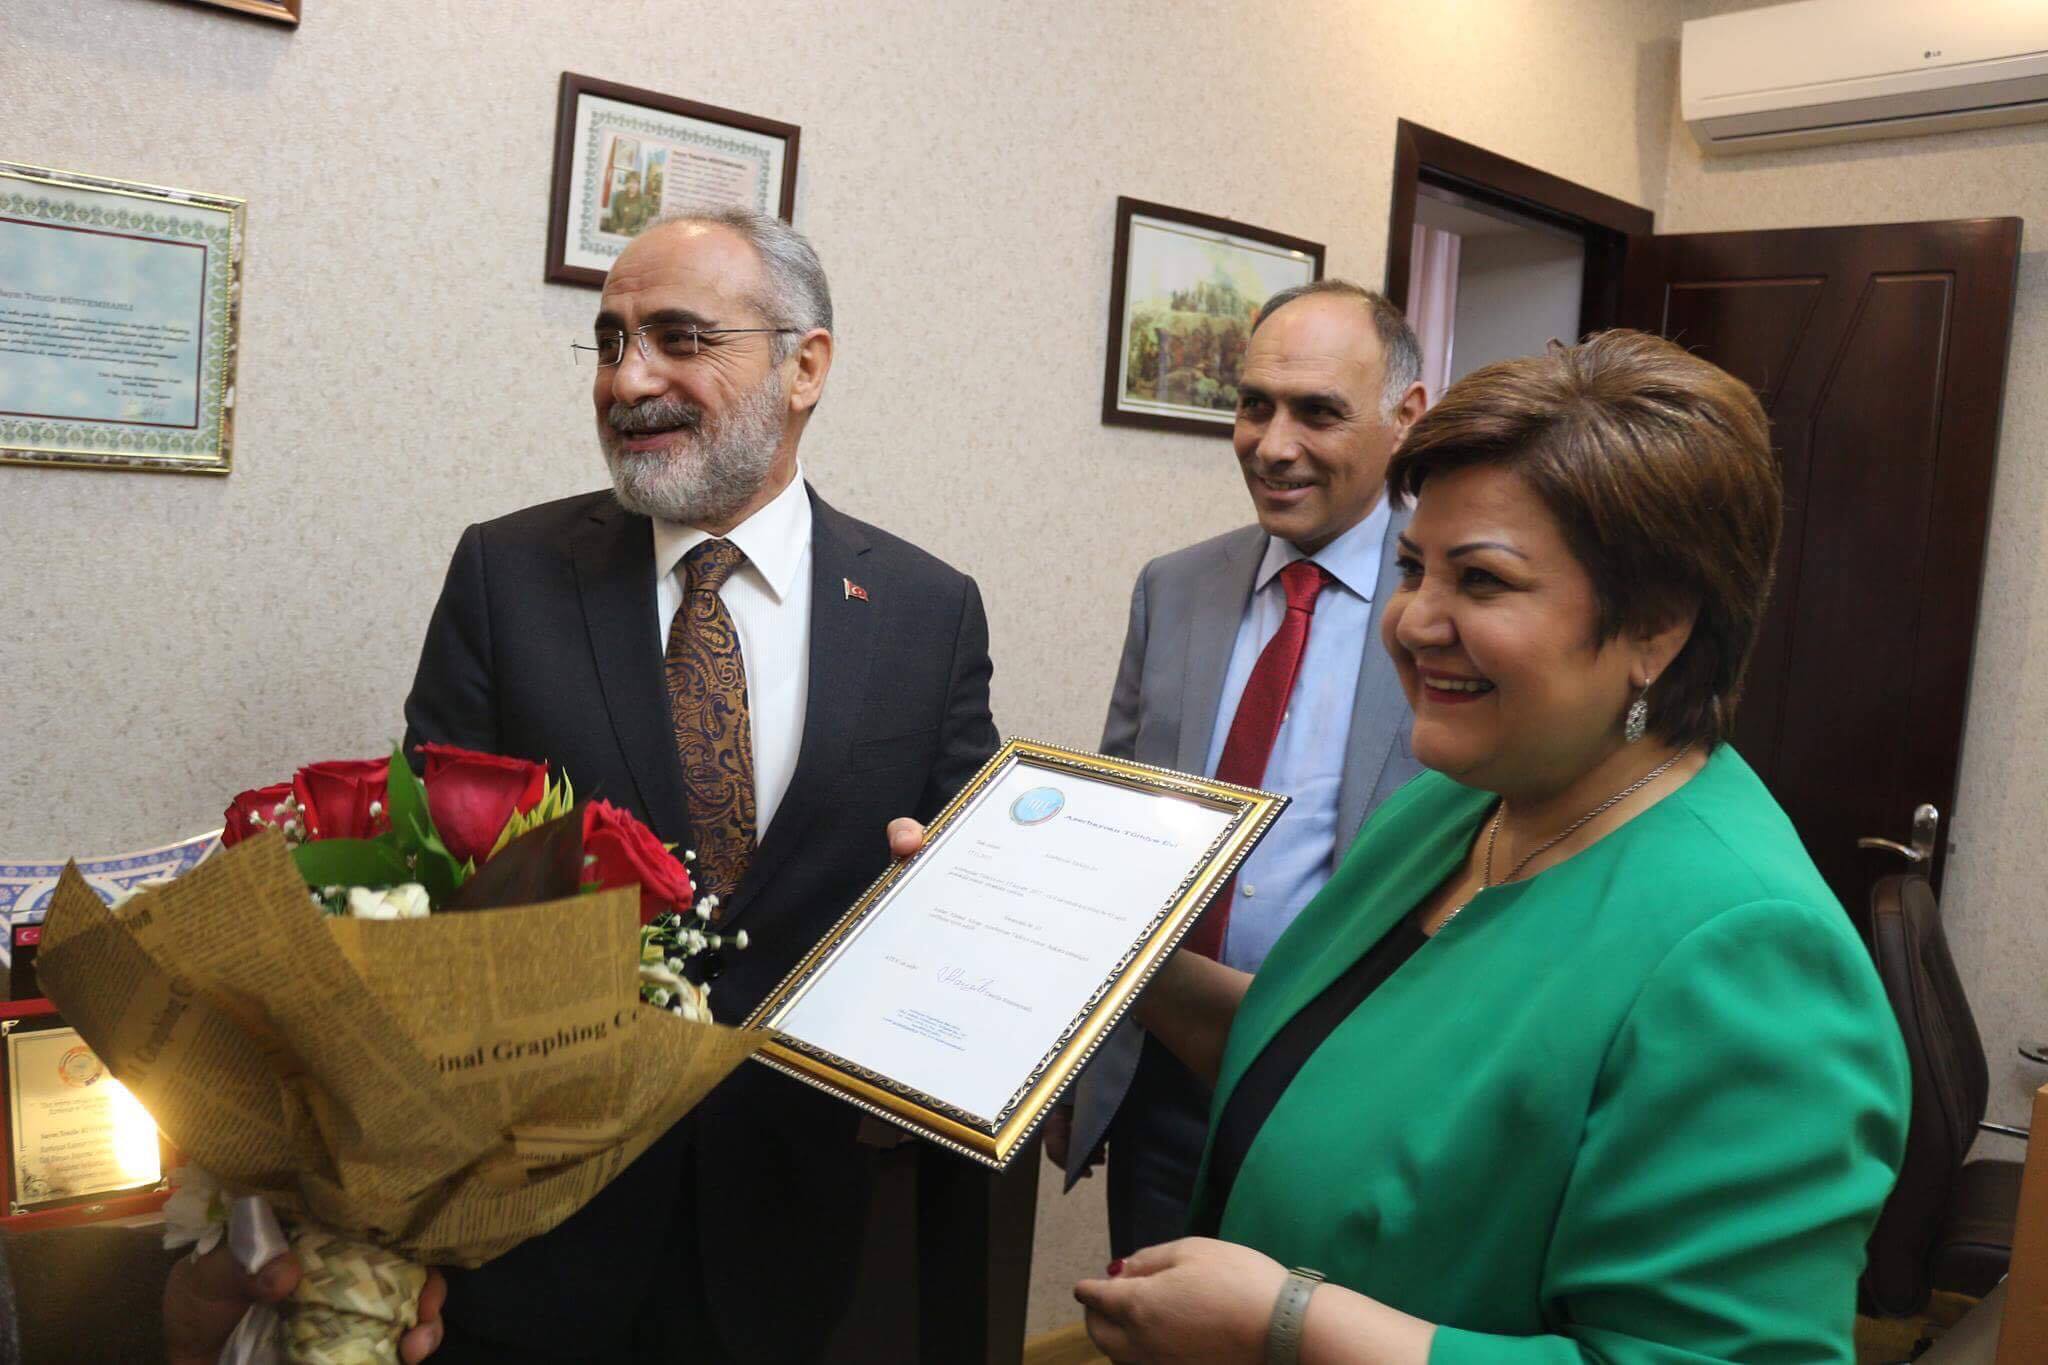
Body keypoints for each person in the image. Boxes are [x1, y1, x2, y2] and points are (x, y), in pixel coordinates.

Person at [167, 208, 999, 1365]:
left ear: (804, 365)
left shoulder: (925, 608)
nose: (627, 379)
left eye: (675, 338)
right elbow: (420, 897)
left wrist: (944, 907)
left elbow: (967, 886)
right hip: (537, 1234)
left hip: (797, 1223)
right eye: (608, 342)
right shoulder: (508, 577)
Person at [1066, 331, 1910, 1362]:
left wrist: (1283, 1322)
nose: (1414, 622)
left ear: (1654, 628)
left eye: (1481, 582)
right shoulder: (1449, 811)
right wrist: (1074, 937)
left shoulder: (1749, 954)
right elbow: (1321, 1045)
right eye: (1413, 568)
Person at [1055, 281, 1428, 1259]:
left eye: (1316, 412)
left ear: (1406, 419)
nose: (1271, 443)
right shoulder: (1173, 588)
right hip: (1161, 1079)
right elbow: (1114, 825)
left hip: (1346, 1089)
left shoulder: (1447, 610)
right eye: (1253, 403)